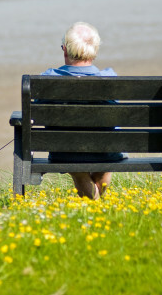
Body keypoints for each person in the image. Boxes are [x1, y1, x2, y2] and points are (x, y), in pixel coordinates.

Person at [41, 22, 124, 200]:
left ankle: (93, 206)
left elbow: (37, 113)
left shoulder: (48, 79)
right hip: (105, 150)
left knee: (77, 167)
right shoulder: (109, 78)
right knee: (105, 158)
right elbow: (118, 114)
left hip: (64, 152)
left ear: (64, 50)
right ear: (95, 50)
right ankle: (96, 207)